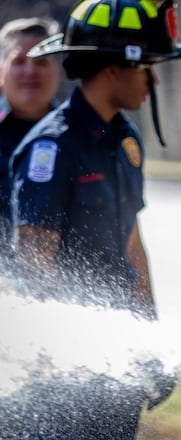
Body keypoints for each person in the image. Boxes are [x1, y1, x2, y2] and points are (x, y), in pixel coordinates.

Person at [4, 0, 181, 438]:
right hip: (61, 374)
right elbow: (33, 264)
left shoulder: (125, 139)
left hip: (115, 363)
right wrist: (96, 341)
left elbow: (132, 246)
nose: (153, 79)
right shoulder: (51, 149)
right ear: (114, 69)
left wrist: (149, 338)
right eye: (147, 67)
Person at [0, 17, 61, 263]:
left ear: (57, 69)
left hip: (65, 295)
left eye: (42, 61)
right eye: (19, 61)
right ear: (1, 71)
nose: (30, 71)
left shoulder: (80, 138)